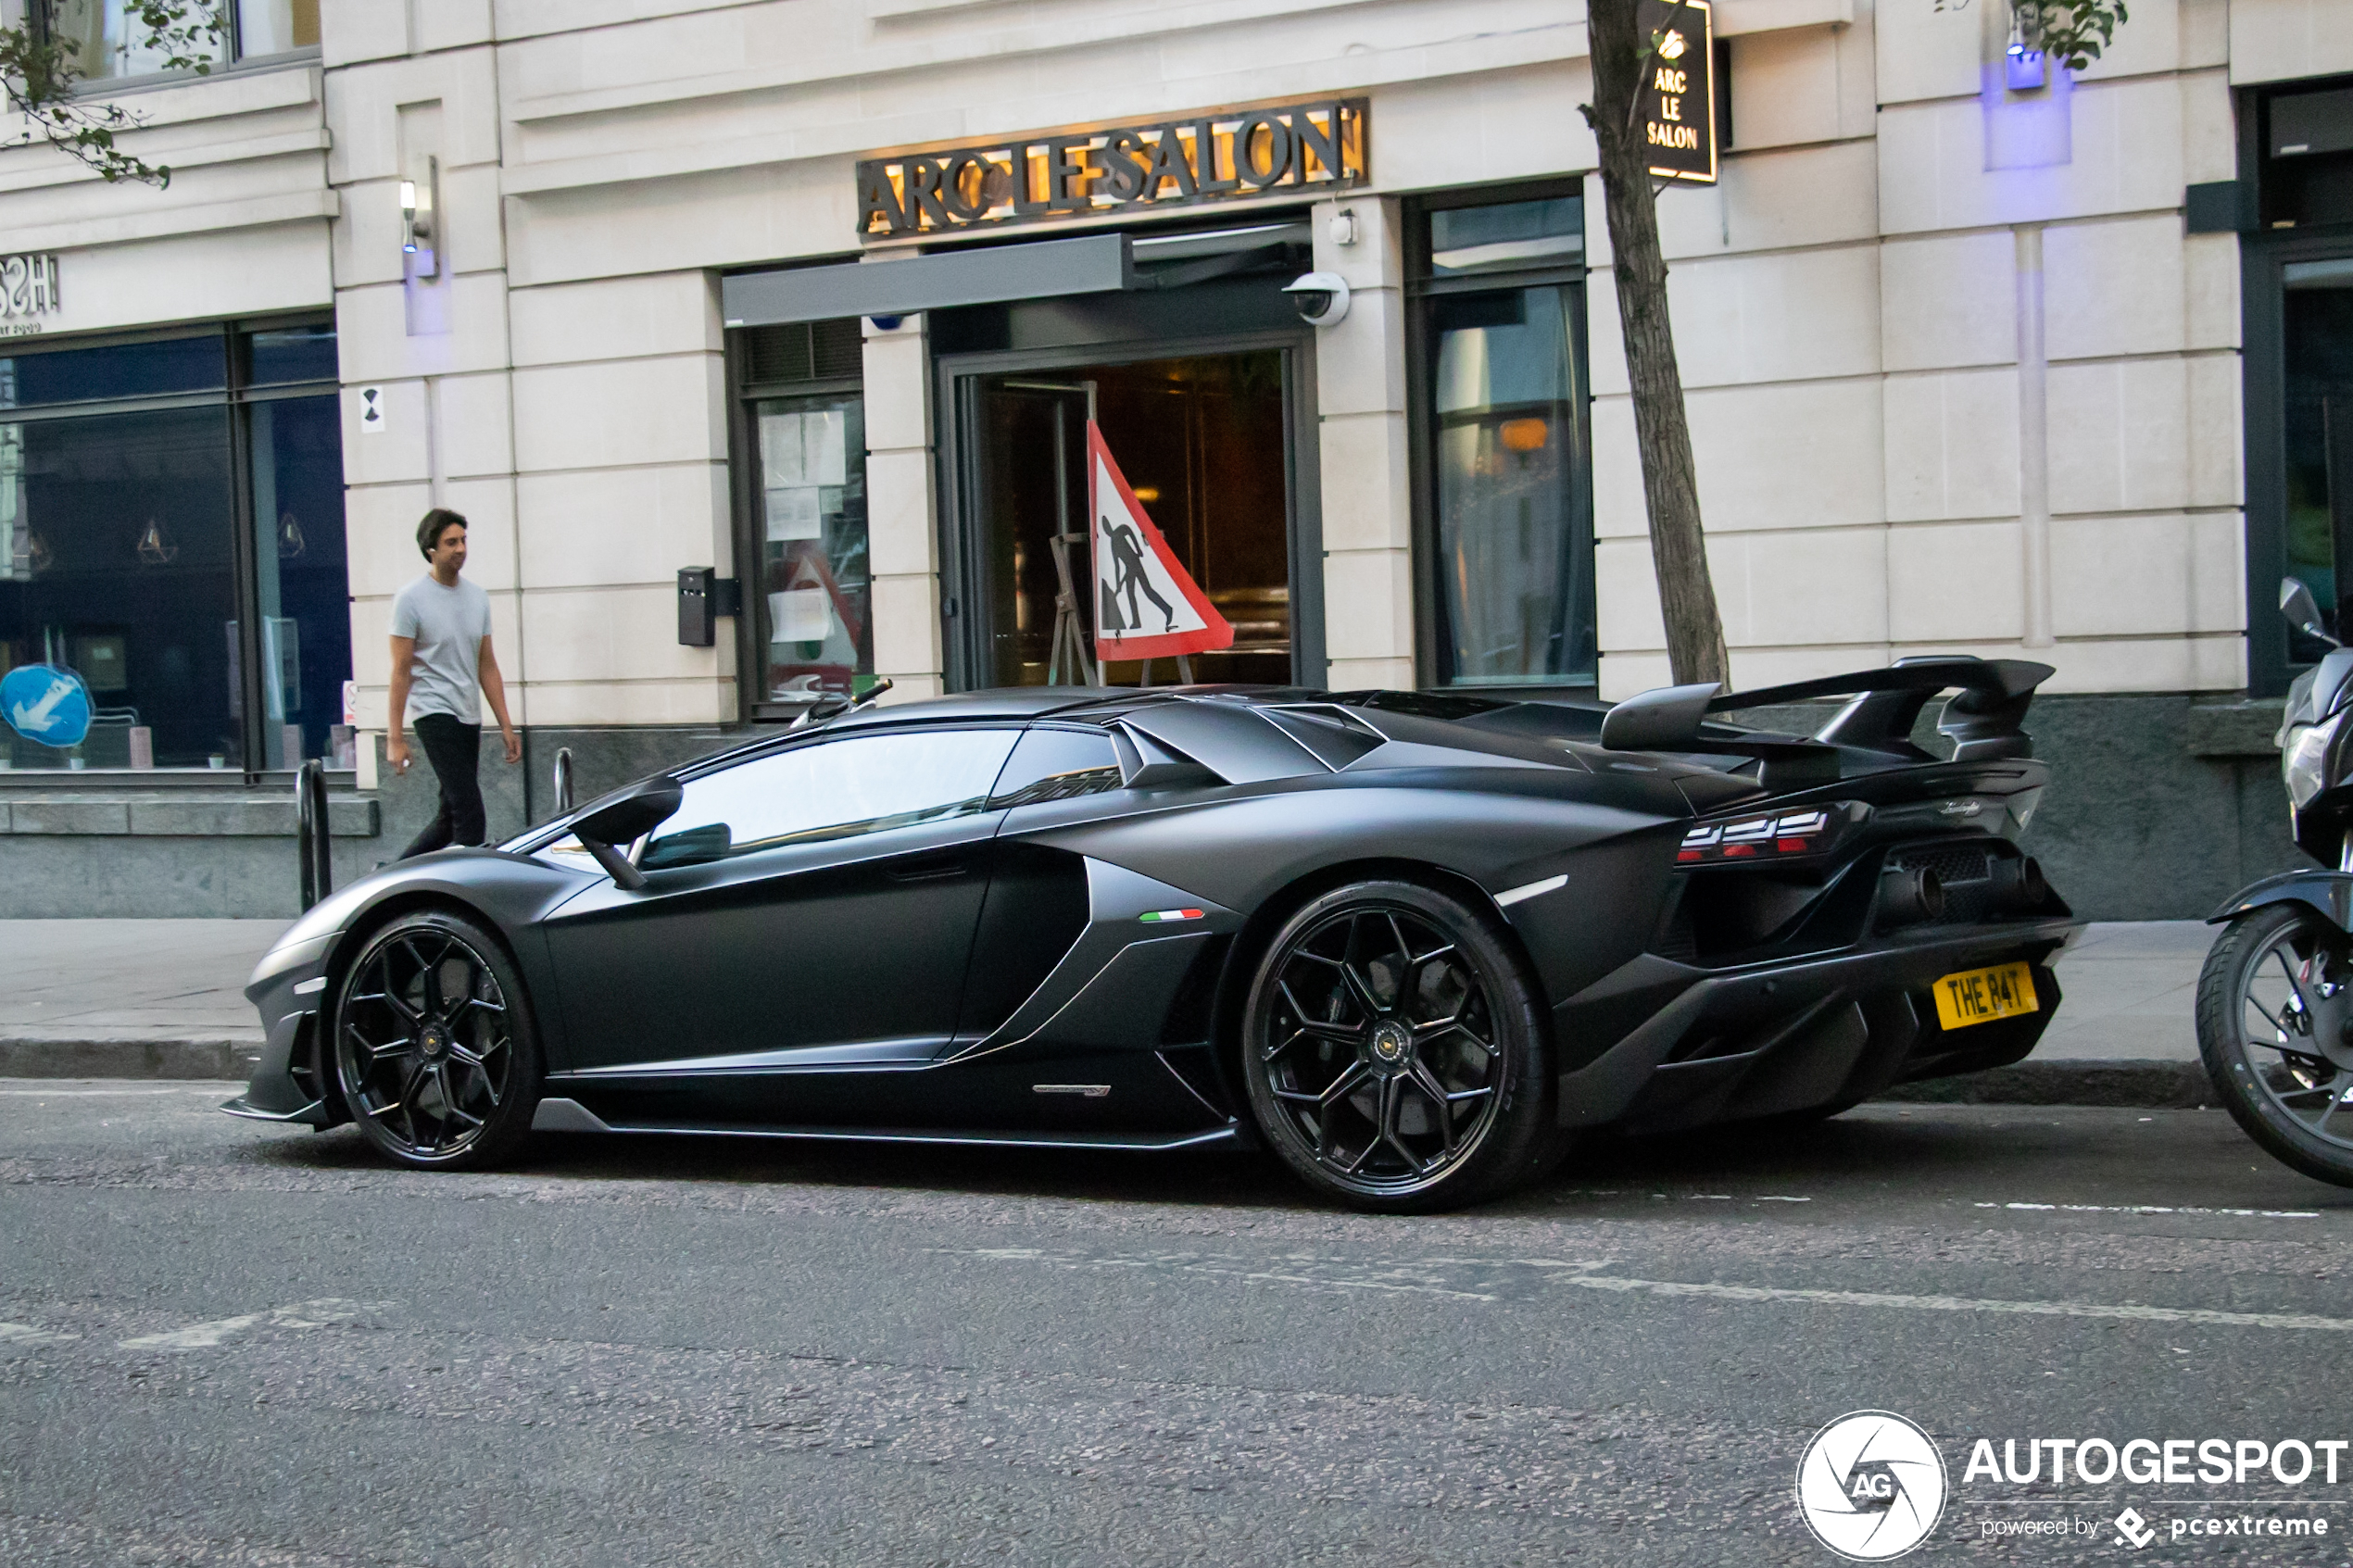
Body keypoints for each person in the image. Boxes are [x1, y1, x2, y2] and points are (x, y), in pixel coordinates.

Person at [386, 508, 521, 858]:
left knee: (449, 819)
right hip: (434, 713)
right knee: (470, 816)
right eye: (451, 542)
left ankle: (390, 882)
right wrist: (395, 738)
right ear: (430, 548)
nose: (460, 548)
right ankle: (465, 889)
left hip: (468, 714)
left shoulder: (477, 597)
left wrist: (506, 725)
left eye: (463, 540)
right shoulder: (410, 599)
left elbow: (486, 665)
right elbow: (400, 671)